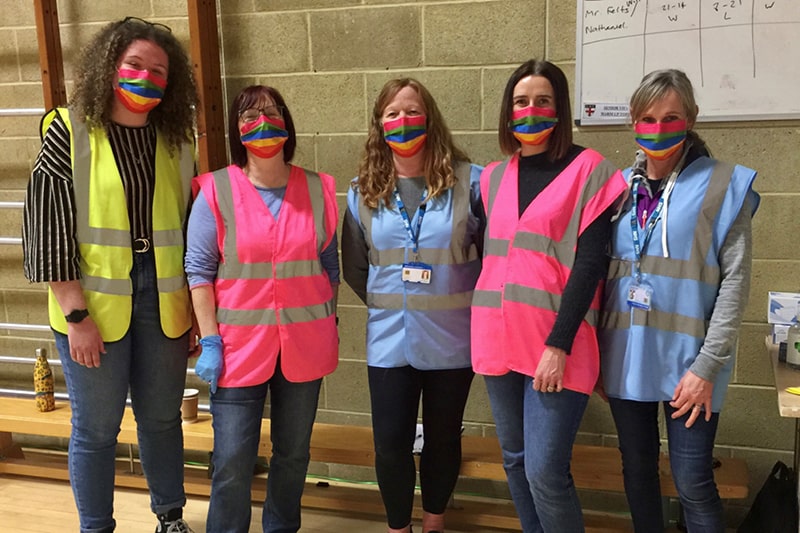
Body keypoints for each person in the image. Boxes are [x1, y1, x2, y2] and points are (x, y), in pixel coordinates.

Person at [21, 17, 198, 533]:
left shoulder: (176, 139)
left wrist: (188, 309)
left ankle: (170, 517)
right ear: (109, 67)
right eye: (135, 65)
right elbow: (46, 226)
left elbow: (189, 230)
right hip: (91, 304)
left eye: (159, 71)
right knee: (96, 428)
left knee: (163, 420)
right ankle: (96, 526)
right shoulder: (69, 128)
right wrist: (76, 315)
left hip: (163, 301)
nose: (147, 77)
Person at [598, 69, 759, 533]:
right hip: (627, 359)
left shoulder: (724, 185)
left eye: (671, 116)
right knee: (638, 473)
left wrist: (707, 367)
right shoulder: (617, 193)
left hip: (692, 368)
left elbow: (735, 284)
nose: (659, 127)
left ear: (691, 118)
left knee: (692, 481)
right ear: (633, 120)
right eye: (648, 117)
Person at [470, 59, 627, 533]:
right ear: (508, 110)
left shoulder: (591, 170)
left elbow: (589, 264)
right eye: (521, 101)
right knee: (515, 462)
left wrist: (558, 346)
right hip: (496, 338)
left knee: (545, 471)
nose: (531, 110)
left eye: (543, 101)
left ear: (559, 109)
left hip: (554, 345)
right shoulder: (492, 177)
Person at [185, 85, 339, 533]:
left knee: (293, 454)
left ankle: (280, 528)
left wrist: (327, 319)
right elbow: (198, 271)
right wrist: (209, 339)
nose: (262, 121)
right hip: (237, 348)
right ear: (237, 131)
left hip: (304, 347)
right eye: (249, 115)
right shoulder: (216, 190)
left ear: (287, 123)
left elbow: (329, 264)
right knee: (232, 457)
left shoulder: (316, 188)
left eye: (271, 112)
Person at [341, 78, 484, 533]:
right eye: (393, 114)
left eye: (412, 112)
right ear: (380, 125)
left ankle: (434, 522)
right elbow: (355, 267)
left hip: (452, 340)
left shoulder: (470, 182)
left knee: (443, 439)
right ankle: (397, 526)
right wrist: (395, 303)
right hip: (389, 340)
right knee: (390, 444)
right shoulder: (362, 190)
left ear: (430, 118)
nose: (403, 122)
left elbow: (493, 259)